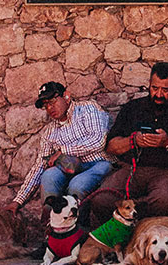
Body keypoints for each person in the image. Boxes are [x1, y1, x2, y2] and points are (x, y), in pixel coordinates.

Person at [83, 61, 168, 221]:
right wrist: (132, 140)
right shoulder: (133, 108)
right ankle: (125, 226)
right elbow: (111, 147)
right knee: (102, 200)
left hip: (167, 172)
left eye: (165, 90)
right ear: (149, 84)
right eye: (155, 88)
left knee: (164, 202)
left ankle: (133, 213)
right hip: (131, 169)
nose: (159, 94)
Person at [8, 81, 113, 211]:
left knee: (77, 185)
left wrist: (63, 150)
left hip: (99, 163)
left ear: (66, 96)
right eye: (45, 105)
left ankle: (79, 228)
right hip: (70, 168)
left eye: (52, 102)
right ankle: (50, 223)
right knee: (48, 176)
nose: (49, 108)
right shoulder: (50, 132)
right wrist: (18, 201)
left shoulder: (88, 109)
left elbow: (98, 142)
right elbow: (40, 165)